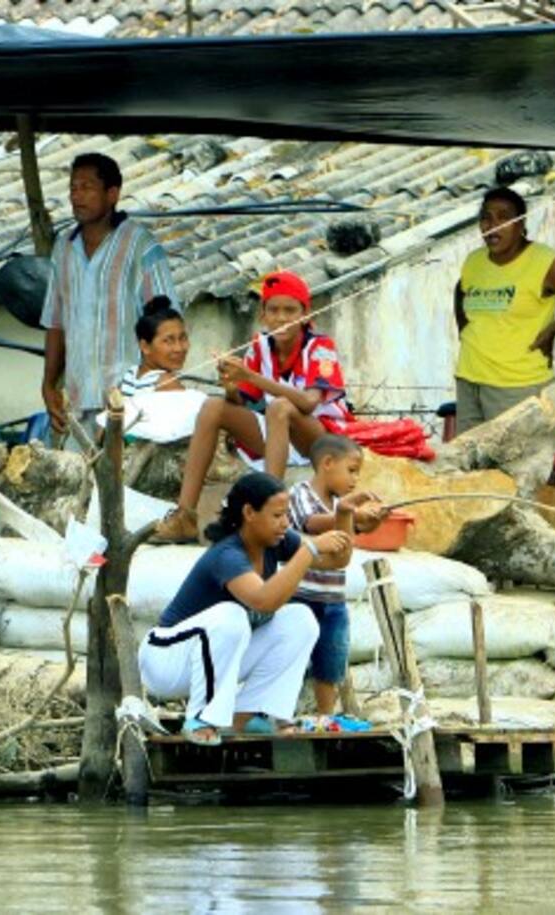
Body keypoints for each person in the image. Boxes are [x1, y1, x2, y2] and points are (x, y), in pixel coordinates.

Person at [138, 472, 353, 745]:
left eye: (287, 515)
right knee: (232, 614)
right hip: (165, 662)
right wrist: (308, 549)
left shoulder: (275, 541)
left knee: (300, 619)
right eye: (277, 516)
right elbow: (264, 600)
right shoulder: (227, 555)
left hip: (205, 659)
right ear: (249, 512)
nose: (285, 523)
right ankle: (202, 718)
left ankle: (248, 714)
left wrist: (344, 515)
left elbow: (336, 560)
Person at [151, 270, 352, 543]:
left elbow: (307, 402)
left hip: (318, 439)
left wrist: (251, 376)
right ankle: (185, 515)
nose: (281, 318)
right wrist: (232, 385)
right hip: (277, 433)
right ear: (263, 315)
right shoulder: (260, 347)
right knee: (213, 406)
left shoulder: (319, 346)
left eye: (290, 311)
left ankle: (269, 511)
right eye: (274, 311)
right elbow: (241, 402)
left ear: (306, 313)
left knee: (281, 406)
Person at [453, 186, 555, 435]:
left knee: (515, 468)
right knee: (473, 468)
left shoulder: (544, 262)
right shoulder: (474, 260)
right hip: (469, 380)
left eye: (503, 217)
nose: (492, 225)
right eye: (486, 217)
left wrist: (552, 331)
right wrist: (466, 333)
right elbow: (461, 291)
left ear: (521, 224)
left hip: (517, 385)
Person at [40, 153, 179, 436]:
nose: (77, 196)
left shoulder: (140, 246)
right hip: (75, 403)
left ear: (112, 193)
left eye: (87, 187)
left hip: (129, 404)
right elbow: (55, 322)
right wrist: (48, 384)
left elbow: (167, 326)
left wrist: (154, 388)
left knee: (124, 478)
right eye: (73, 188)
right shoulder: (63, 248)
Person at [287, 434, 386, 716]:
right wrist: (350, 515)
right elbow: (314, 523)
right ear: (328, 463)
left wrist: (369, 521)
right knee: (292, 657)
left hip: (333, 598)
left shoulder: (339, 504)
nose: (355, 480)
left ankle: (325, 717)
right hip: (301, 596)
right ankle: (282, 713)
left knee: (330, 661)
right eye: (351, 470)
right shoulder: (300, 493)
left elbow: (349, 535)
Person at [120, 295, 188, 395]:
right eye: (168, 341)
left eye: (183, 338)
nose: (179, 348)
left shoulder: (131, 374)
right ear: (145, 347)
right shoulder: (168, 383)